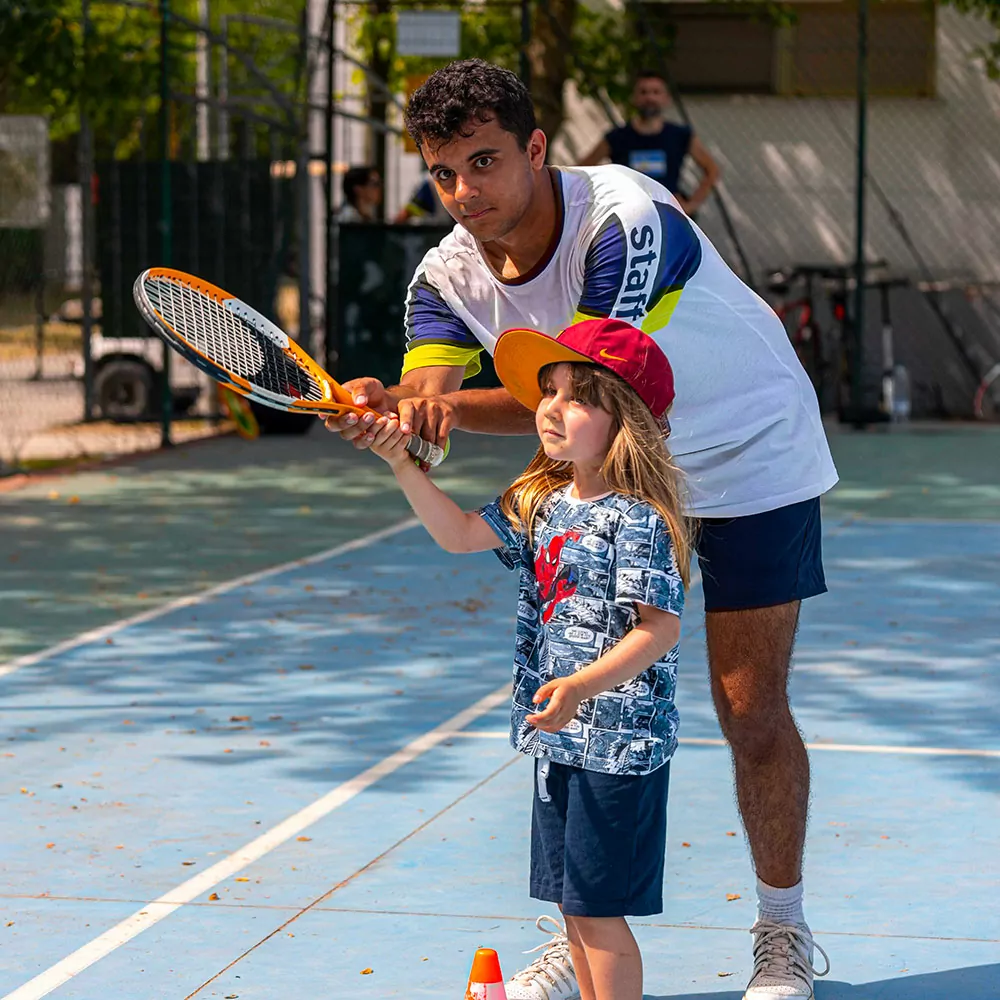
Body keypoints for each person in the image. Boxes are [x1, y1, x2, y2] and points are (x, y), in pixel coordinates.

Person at [325, 59, 837, 1000]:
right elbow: (435, 404)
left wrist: (404, 406)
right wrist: (387, 411)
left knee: (749, 707)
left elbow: (585, 397)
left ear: (535, 147)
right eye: (441, 173)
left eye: (483, 162)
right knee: (584, 708)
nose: (463, 192)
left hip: (750, 453)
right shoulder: (444, 274)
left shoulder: (624, 220)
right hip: (625, 473)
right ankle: (584, 932)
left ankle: (782, 929)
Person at [368, 318, 690, 1000]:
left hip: (618, 746)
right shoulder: (539, 501)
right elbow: (457, 534)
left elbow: (658, 630)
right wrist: (404, 464)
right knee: (574, 906)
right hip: (559, 737)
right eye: (549, 391)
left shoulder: (636, 517)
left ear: (623, 419)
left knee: (600, 913)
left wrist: (579, 685)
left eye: (577, 396)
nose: (551, 407)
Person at [580, 70, 720, 218]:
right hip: (628, 216)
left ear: (666, 98)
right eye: (643, 92)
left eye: (656, 92)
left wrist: (691, 205)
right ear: (634, 98)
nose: (650, 97)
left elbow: (712, 170)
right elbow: (581, 170)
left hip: (668, 216)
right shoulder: (616, 137)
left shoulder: (680, 135)